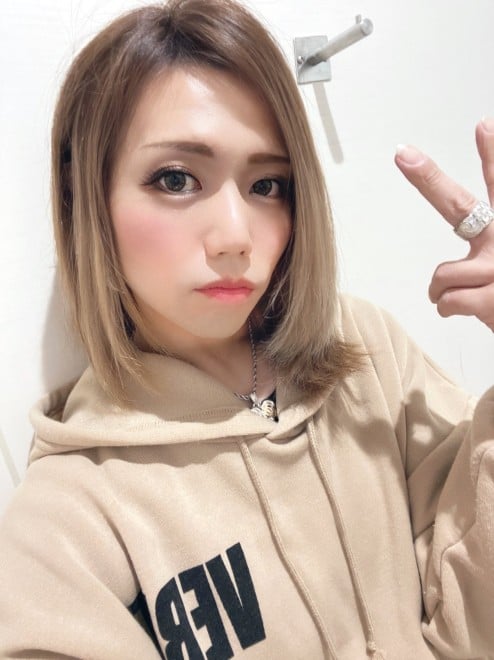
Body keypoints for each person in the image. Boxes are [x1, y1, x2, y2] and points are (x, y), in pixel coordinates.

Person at [0, 0, 493, 658]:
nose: (236, 236)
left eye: (267, 185)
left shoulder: (367, 352)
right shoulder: (64, 528)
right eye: (176, 179)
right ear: (86, 196)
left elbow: (473, 625)